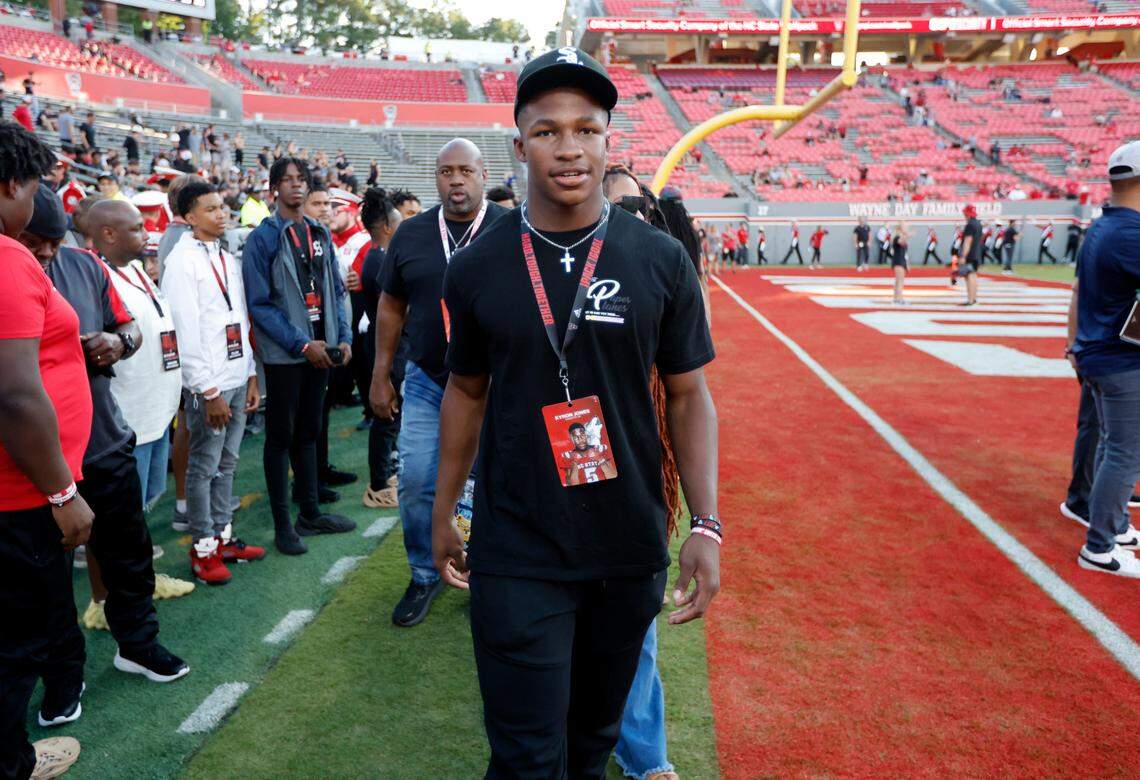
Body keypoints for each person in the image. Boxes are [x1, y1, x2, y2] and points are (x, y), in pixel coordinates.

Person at [432, 48, 720, 778]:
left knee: (591, 747)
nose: (569, 147)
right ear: (519, 143)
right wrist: (441, 513)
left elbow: (688, 394)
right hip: (517, 544)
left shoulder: (658, 259)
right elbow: (465, 391)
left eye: (586, 130)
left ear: (607, 140)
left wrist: (707, 524)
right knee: (529, 757)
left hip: (626, 544)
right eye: (549, 130)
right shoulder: (476, 267)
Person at [19, 189, 191, 685]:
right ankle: (62, 677)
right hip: (32, 453)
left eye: (55, 241)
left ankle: (137, 645)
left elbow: (128, 326)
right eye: (35, 241)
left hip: (102, 434)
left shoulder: (85, 266)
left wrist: (118, 342)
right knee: (42, 575)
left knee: (128, 552)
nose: (48, 252)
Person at [369, 139, 508, 627]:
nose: (456, 180)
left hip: (497, 383)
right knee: (415, 480)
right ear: (436, 177)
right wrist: (381, 373)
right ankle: (425, 573)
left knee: (500, 480)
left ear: (483, 173)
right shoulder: (411, 234)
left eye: (465, 171)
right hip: (430, 380)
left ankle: (491, 573)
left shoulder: (511, 229)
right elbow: (391, 304)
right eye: (446, 171)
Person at [0, 121, 89, 780]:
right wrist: (62, 492)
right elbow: (15, 396)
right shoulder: (5, 257)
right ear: (12, 184)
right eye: (33, 187)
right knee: (14, 646)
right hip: (19, 493)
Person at [243, 157, 356, 556]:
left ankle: (309, 512)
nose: (295, 186)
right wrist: (301, 344)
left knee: (309, 431)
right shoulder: (263, 238)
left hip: (320, 351)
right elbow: (259, 304)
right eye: (287, 180)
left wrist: (341, 338)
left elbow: (337, 292)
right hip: (287, 355)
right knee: (280, 437)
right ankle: (283, 525)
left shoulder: (318, 231)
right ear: (274, 188)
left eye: (301, 180)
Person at [164, 181, 264, 585]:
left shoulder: (225, 256)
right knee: (204, 467)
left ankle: (222, 537)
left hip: (237, 377)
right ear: (189, 218)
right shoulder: (181, 262)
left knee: (228, 463)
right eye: (210, 209)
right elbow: (183, 332)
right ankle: (202, 547)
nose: (221, 214)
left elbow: (237, 317)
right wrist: (206, 391)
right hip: (211, 385)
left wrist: (252, 372)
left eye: (222, 207)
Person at [1069, 140, 1140, 577]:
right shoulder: (1130, 233)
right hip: (1119, 360)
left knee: (1112, 446)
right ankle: (1099, 547)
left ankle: (1118, 525)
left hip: (1097, 353)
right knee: (1123, 452)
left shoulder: (1103, 226)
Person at [102, 200, 182, 514]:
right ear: (109, 234)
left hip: (158, 404)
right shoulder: (99, 274)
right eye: (136, 229)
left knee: (147, 494)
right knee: (126, 502)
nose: (146, 234)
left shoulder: (135, 268)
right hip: (131, 410)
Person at [359, 188, 404, 508]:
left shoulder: (382, 257)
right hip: (385, 347)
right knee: (385, 417)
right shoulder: (378, 261)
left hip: (393, 346)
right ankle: (376, 485)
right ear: (387, 226)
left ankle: (386, 473)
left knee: (393, 416)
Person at [954, 205, 983, 306]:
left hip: (970, 254)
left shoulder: (970, 225)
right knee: (973, 275)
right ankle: (974, 299)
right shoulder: (978, 224)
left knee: (969, 275)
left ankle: (970, 300)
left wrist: (963, 256)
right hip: (977, 253)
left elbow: (967, 241)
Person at [891, 223, 909, 305]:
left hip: (901, 260)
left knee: (899, 280)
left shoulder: (900, 237)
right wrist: (906, 234)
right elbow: (901, 242)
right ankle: (899, 298)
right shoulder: (897, 237)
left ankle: (896, 298)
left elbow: (905, 249)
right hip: (898, 261)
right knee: (900, 281)